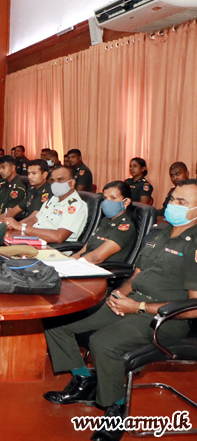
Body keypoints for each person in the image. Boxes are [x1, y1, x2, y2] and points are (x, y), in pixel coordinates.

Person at [42, 179, 197, 441]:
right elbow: (137, 274)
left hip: (167, 316)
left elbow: (195, 306)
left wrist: (138, 307)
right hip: (133, 301)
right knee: (57, 322)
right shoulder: (159, 232)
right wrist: (119, 294)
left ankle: (116, 410)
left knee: (103, 342)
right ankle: (83, 381)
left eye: (182, 202)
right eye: (172, 199)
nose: (173, 205)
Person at [2, 166, 88, 243]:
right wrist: (14, 226)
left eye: (60, 180)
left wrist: (22, 228)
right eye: (53, 180)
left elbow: (58, 237)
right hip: (34, 239)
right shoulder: (53, 199)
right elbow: (35, 219)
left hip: (51, 248)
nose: (56, 183)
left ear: (72, 183)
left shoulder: (75, 206)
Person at [72, 181, 136, 265]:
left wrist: (73, 265)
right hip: (83, 263)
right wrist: (67, 261)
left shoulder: (125, 228)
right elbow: (83, 250)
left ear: (126, 202)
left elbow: (96, 258)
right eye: (105, 198)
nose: (107, 202)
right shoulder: (105, 221)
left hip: (98, 269)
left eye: (113, 198)